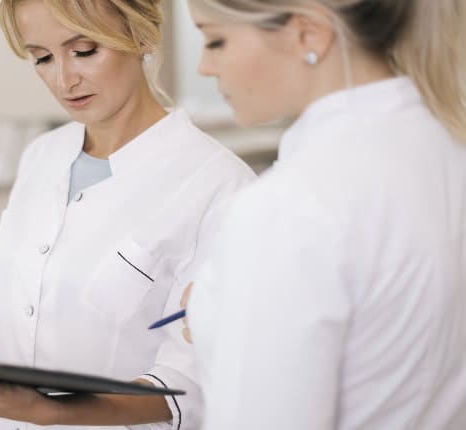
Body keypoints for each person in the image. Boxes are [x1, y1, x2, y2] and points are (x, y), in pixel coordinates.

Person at [0, 1, 255, 429]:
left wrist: (47, 410)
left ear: (141, 36)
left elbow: (189, 384)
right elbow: (65, 304)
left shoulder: (218, 184)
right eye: (42, 58)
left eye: (84, 51)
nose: (64, 79)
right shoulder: (43, 154)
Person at [182, 0, 466, 429]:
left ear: (308, 33)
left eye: (216, 40)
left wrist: (228, 317)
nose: (205, 66)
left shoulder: (286, 210)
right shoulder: (446, 147)